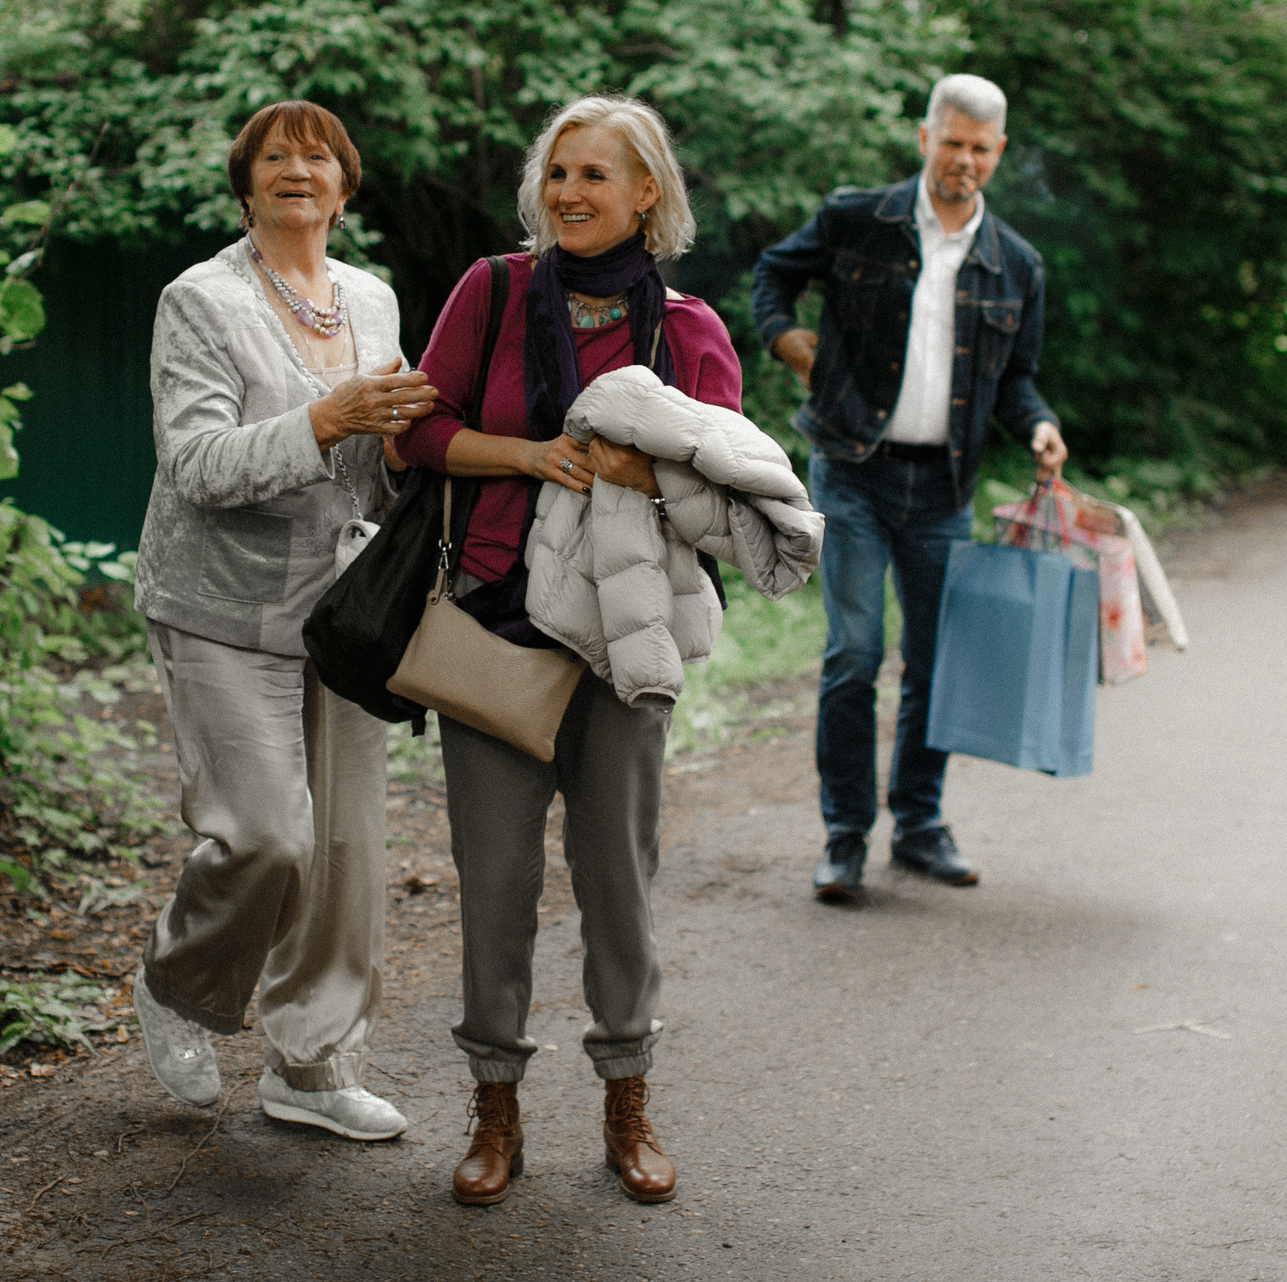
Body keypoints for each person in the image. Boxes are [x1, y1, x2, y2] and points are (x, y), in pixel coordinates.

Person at [393, 96, 744, 1209]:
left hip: (622, 649)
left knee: (617, 887)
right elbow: (417, 430)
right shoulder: (492, 292)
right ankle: (495, 1114)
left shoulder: (686, 327)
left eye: (597, 175)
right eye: (558, 174)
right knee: (494, 888)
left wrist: (640, 472)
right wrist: (531, 456)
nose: (571, 194)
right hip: (494, 628)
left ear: (648, 193)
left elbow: (730, 483)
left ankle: (626, 1105)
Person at [128, 100, 439, 1140]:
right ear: (247, 183)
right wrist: (327, 419)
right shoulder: (200, 300)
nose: (296, 169)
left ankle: (308, 1066)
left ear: (344, 190)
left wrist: (392, 452)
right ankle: (178, 989)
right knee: (265, 840)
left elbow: (373, 459)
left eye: (318, 156)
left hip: (341, 612)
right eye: (275, 155)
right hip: (218, 604)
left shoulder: (376, 300)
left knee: (344, 854)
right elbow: (197, 464)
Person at [750, 73, 1067, 903]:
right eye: (952, 141)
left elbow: (1016, 379)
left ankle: (919, 824)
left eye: (981, 148)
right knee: (855, 653)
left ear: (999, 153)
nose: (964, 159)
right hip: (852, 467)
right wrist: (789, 343)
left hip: (945, 488)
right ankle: (845, 834)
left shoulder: (1017, 265)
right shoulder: (861, 218)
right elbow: (770, 279)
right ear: (926, 138)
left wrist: (1036, 424)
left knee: (937, 661)